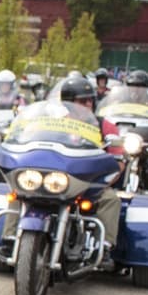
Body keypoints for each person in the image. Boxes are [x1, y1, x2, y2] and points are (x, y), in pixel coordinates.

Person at [57, 76, 129, 248]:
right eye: (82, 101)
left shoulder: (105, 126)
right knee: (19, 193)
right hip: (58, 181)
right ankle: (10, 239)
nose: (88, 104)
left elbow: (119, 160)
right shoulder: (56, 124)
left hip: (90, 184)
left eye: (91, 100)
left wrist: (102, 183)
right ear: (68, 103)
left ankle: (104, 246)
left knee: (111, 200)